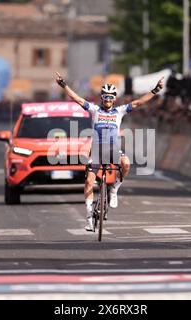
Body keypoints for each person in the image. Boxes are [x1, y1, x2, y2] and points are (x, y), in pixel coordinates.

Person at [55, 72, 164, 231]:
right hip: (97, 152)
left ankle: (114, 188)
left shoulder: (119, 111)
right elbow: (77, 99)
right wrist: (64, 85)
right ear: (101, 98)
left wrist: (155, 90)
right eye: (105, 97)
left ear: (114, 98)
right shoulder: (94, 110)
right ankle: (89, 217)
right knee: (89, 182)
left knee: (126, 163)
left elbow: (138, 102)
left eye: (111, 97)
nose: (108, 99)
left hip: (113, 150)